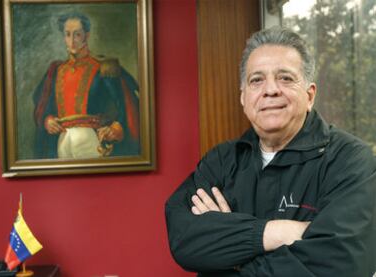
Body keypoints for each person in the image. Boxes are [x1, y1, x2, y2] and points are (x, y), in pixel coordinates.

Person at [165, 26, 376, 276]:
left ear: (310, 96)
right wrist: (276, 232)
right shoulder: (220, 161)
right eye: (257, 80)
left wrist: (229, 257)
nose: (271, 89)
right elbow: (184, 240)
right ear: (244, 98)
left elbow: (340, 265)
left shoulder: (351, 162)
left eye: (285, 78)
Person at [33, 13, 140, 159]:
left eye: (77, 34)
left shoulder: (103, 67)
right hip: (62, 139)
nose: (72, 41)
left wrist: (116, 126)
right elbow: (43, 105)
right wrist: (48, 120)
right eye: (68, 34)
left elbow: (124, 104)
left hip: (90, 138)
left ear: (86, 35)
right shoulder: (56, 70)